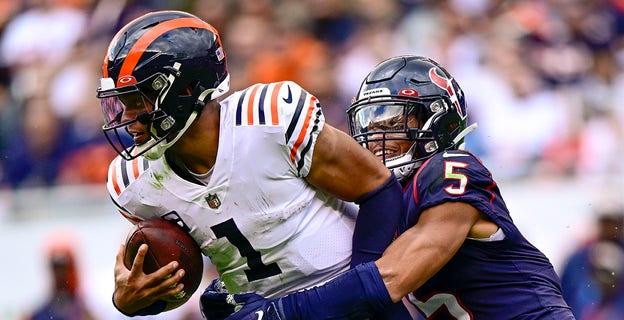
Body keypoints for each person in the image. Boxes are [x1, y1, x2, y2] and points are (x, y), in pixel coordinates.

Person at [200, 55, 576, 319]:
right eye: (369, 122)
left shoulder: (450, 169)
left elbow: (390, 278)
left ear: (437, 123)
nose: (374, 135)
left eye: (391, 120)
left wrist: (281, 312)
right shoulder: (382, 199)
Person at [95, 10, 407, 317]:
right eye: (121, 103)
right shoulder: (136, 184)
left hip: (343, 292)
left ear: (185, 89)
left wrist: (357, 293)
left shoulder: (268, 119)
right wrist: (131, 302)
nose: (126, 119)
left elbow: (379, 189)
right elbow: (174, 279)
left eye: (136, 101)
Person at [560, 206, 624, 319]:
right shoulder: (579, 257)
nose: (610, 228)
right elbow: (566, 291)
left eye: (614, 223)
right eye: (606, 223)